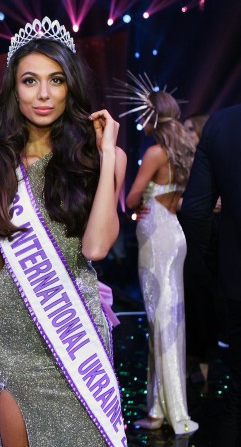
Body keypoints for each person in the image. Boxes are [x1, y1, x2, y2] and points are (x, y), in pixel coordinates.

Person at [0, 17, 127, 446]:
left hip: (75, 334)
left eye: (55, 80)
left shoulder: (100, 160)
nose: (43, 94)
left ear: (70, 86)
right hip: (10, 338)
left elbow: (96, 247)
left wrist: (107, 155)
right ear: (14, 89)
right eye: (30, 81)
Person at [121, 75, 198, 435]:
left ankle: (168, 410)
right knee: (169, 320)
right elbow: (180, 198)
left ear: (151, 117)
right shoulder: (184, 149)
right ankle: (159, 406)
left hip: (157, 238)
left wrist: (132, 197)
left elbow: (132, 198)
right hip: (174, 233)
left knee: (162, 322)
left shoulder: (155, 152)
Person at [179, 104, 241, 445]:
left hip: (236, 280)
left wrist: (218, 263)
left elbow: (194, 211)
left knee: (237, 397)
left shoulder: (221, 124)